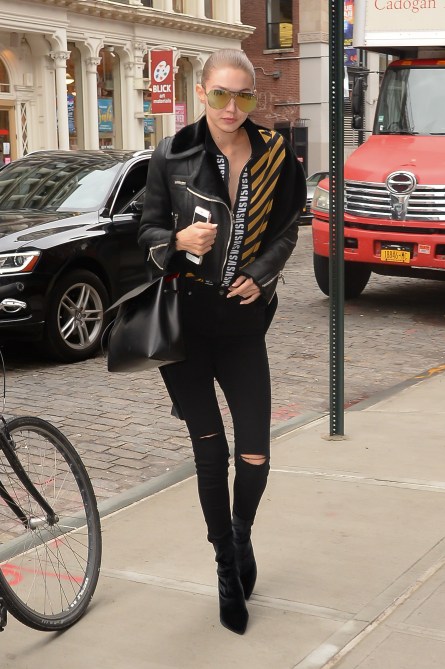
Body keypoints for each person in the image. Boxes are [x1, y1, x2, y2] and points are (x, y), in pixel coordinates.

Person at [138, 48, 306, 635]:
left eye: (243, 96)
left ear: (253, 98)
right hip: (185, 324)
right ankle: (225, 568)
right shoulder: (172, 153)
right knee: (211, 453)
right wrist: (178, 241)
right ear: (201, 92)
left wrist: (260, 275)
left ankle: (240, 535)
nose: (231, 107)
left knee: (255, 452)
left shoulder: (276, 155)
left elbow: (287, 228)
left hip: (241, 325)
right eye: (220, 94)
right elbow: (146, 230)